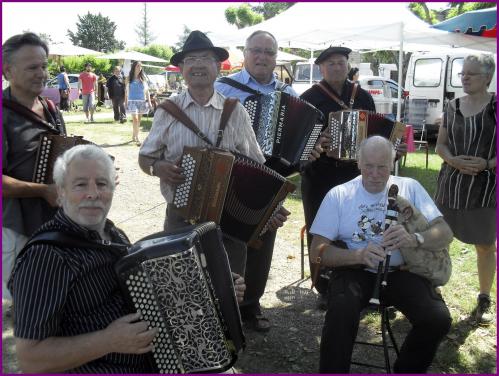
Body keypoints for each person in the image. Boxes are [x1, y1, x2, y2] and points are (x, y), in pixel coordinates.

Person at [8, 144, 247, 373]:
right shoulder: (45, 257)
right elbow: (31, 359)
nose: (93, 193)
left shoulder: (113, 235)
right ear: (60, 192)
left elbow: (149, 296)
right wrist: (107, 341)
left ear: (113, 188)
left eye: (102, 183)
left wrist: (214, 291)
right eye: (80, 185)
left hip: (158, 361)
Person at [138, 31, 270, 327]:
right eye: (191, 59)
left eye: (205, 59)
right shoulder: (167, 110)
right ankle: (188, 339)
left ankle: (226, 339)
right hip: (181, 214)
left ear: (219, 66)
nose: (197, 65)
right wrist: (158, 167)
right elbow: (145, 157)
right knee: (180, 281)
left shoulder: (235, 112)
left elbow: (257, 164)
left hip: (229, 216)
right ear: (182, 69)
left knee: (229, 284)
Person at [310, 136, 453, 373]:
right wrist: (358, 255)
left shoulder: (410, 187)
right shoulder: (339, 195)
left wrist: (416, 239)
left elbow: (446, 232)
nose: (375, 174)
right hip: (355, 271)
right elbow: (318, 252)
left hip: (401, 272)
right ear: (358, 163)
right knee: (340, 314)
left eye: (382, 167)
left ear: (393, 162)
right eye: (369, 166)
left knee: (437, 319)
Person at [215, 30, 293, 332]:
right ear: (245, 54)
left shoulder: (288, 93)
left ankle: (251, 304)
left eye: (269, 52)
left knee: (263, 242)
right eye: (256, 51)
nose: (262, 57)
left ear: (276, 57)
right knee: (227, 240)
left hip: (272, 178)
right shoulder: (222, 87)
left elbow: (305, 135)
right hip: (231, 176)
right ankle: (223, 304)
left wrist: (310, 146)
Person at [300, 46, 376, 307]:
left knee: (354, 228)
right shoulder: (309, 97)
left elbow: (375, 128)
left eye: (340, 62)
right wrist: (317, 142)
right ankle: (323, 287)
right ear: (321, 68)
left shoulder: (363, 96)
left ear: (348, 65)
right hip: (319, 176)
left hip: (354, 176)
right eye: (330, 63)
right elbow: (299, 140)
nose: (336, 67)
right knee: (320, 229)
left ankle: (354, 283)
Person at [2, 32, 65, 304]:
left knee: (55, 297)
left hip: (53, 222)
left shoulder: (50, 107)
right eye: (32, 67)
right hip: (15, 227)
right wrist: (43, 191)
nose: (42, 73)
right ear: (7, 71)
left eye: (44, 65)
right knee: (27, 303)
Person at [434, 54, 496, 325]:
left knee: (484, 244)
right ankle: (432, 291)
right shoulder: (452, 106)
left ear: (488, 77)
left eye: (471, 73)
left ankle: (484, 297)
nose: (465, 77)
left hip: (485, 188)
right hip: (451, 185)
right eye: (463, 73)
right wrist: (453, 160)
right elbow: (440, 146)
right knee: (438, 240)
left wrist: (488, 163)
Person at [126, 61, 152, 146]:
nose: (139, 68)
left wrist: (149, 102)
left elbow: (147, 91)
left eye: (140, 66)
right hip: (132, 101)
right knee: (135, 119)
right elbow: (126, 91)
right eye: (138, 66)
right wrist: (125, 102)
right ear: (134, 67)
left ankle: (134, 134)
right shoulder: (128, 78)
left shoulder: (143, 78)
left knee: (139, 120)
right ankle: (137, 137)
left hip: (142, 101)